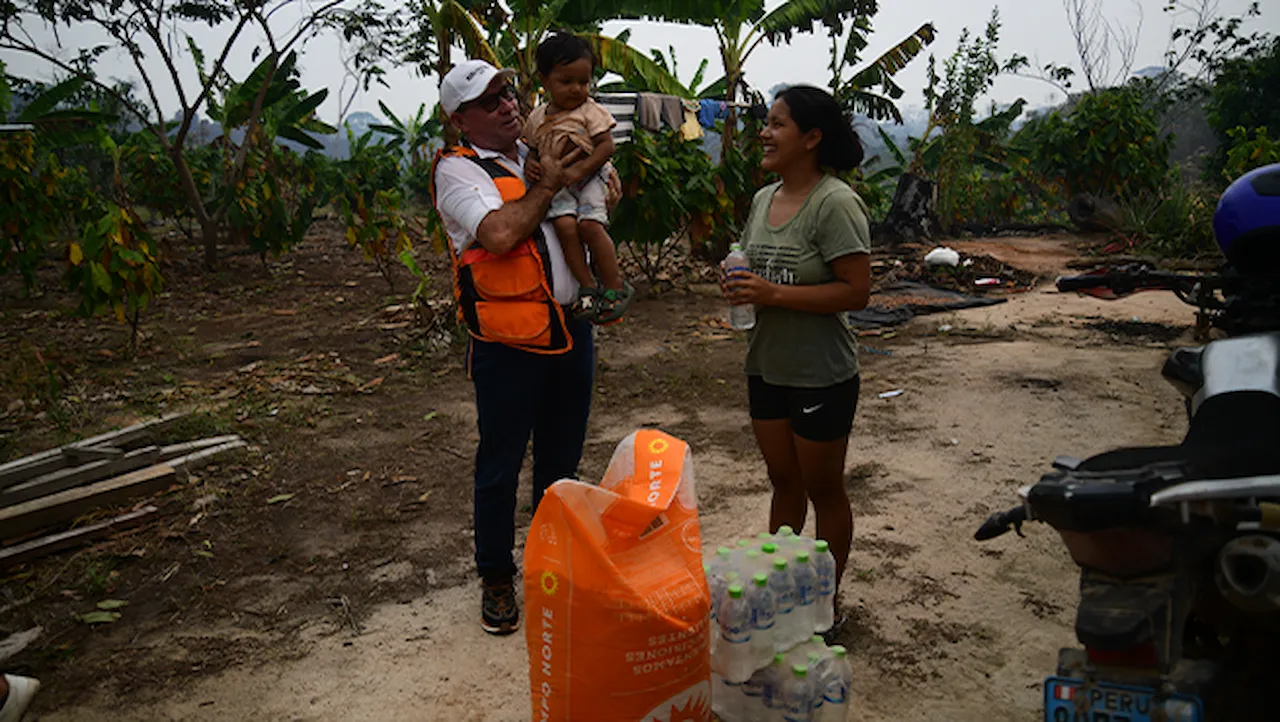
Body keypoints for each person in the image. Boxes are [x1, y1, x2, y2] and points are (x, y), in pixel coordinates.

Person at [432, 59, 611, 636]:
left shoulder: (534, 153)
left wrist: (596, 188)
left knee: (562, 461)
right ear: (462, 120)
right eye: (490, 101)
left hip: (568, 329)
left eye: (508, 92)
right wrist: (552, 182)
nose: (509, 104)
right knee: (501, 463)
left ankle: (553, 564)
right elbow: (502, 234)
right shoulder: (459, 172)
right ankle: (495, 576)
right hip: (508, 344)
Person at [722, 85, 872, 628]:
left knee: (823, 488)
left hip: (819, 373)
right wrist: (737, 280)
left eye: (777, 124)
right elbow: (752, 267)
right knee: (784, 483)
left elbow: (856, 292)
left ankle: (826, 606)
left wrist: (772, 294)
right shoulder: (764, 200)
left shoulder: (835, 203)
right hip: (767, 366)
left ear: (811, 138)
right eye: (767, 122)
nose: (764, 132)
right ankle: (783, 594)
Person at [523, 32, 633, 324]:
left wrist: (577, 172)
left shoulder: (591, 111)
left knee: (590, 226)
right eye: (566, 81)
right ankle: (586, 285)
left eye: (583, 82)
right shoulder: (536, 119)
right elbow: (531, 150)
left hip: (591, 178)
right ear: (544, 81)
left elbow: (606, 146)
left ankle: (614, 285)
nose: (576, 89)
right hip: (559, 185)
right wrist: (530, 166)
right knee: (565, 227)